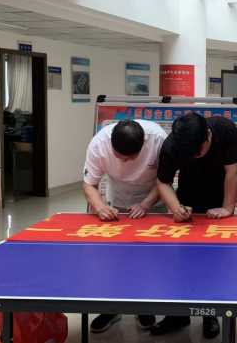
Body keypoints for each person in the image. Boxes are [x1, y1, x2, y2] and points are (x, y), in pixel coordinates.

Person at [155, 113, 237, 338]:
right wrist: (176, 207)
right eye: (190, 154)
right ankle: (177, 315)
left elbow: (232, 171)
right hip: (188, 200)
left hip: (217, 201)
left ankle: (209, 314)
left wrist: (227, 207)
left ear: (209, 136)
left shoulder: (226, 130)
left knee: (213, 263)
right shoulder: (172, 145)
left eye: (198, 152)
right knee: (181, 261)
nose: (194, 157)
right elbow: (163, 181)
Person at [83, 119, 168, 333]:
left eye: (130, 157)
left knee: (148, 260)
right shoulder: (99, 144)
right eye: (119, 156)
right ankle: (112, 308)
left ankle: (143, 306)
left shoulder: (158, 140)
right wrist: (100, 208)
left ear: (143, 144)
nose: (124, 161)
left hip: (154, 202)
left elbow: (165, 180)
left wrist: (146, 205)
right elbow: (89, 184)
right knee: (115, 260)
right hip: (117, 204)